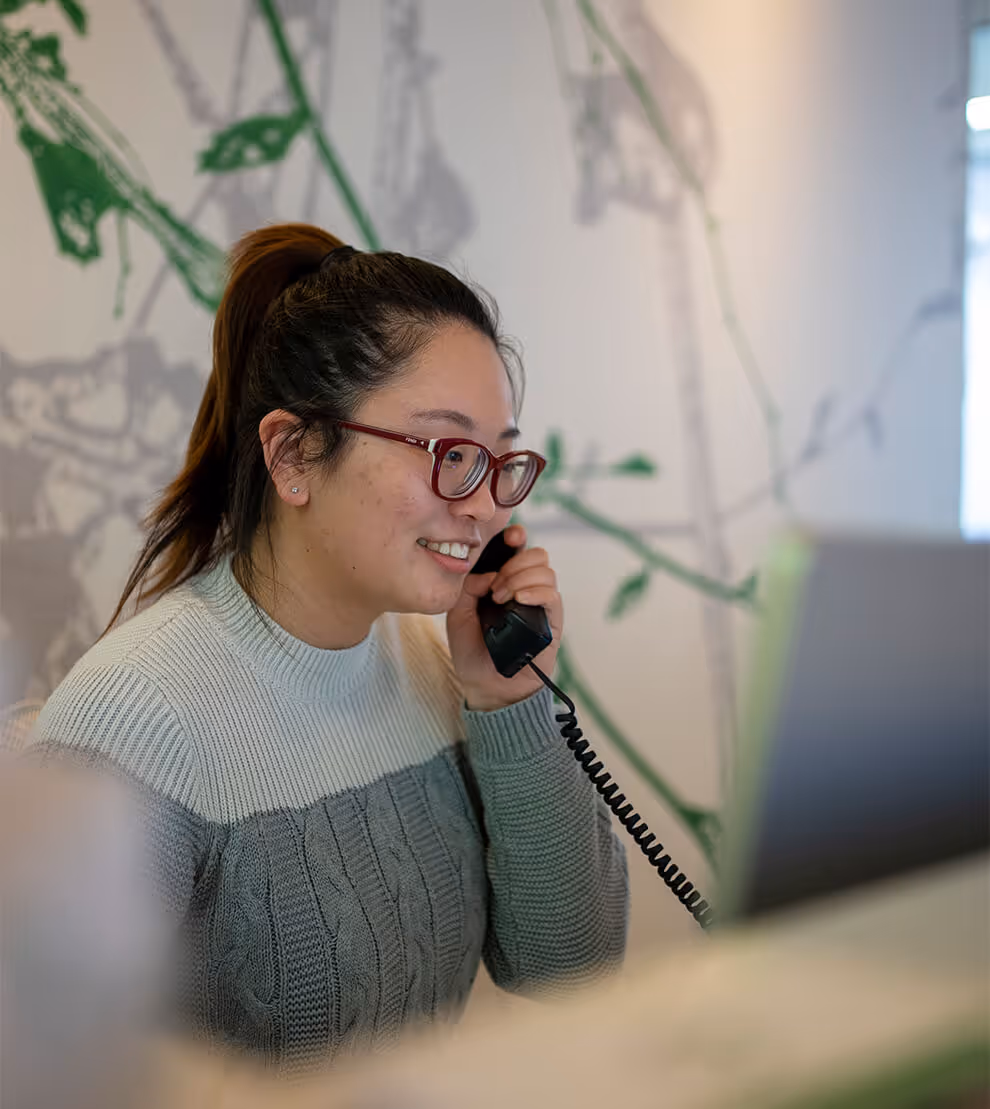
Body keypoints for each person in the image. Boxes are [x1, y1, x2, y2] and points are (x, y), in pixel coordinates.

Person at [32, 223, 629, 1072]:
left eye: (499, 461)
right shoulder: (134, 720)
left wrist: (510, 701)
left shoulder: (435, 664)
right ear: (293, 452)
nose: (485, 505)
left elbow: (570, 969)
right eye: (449, 453)